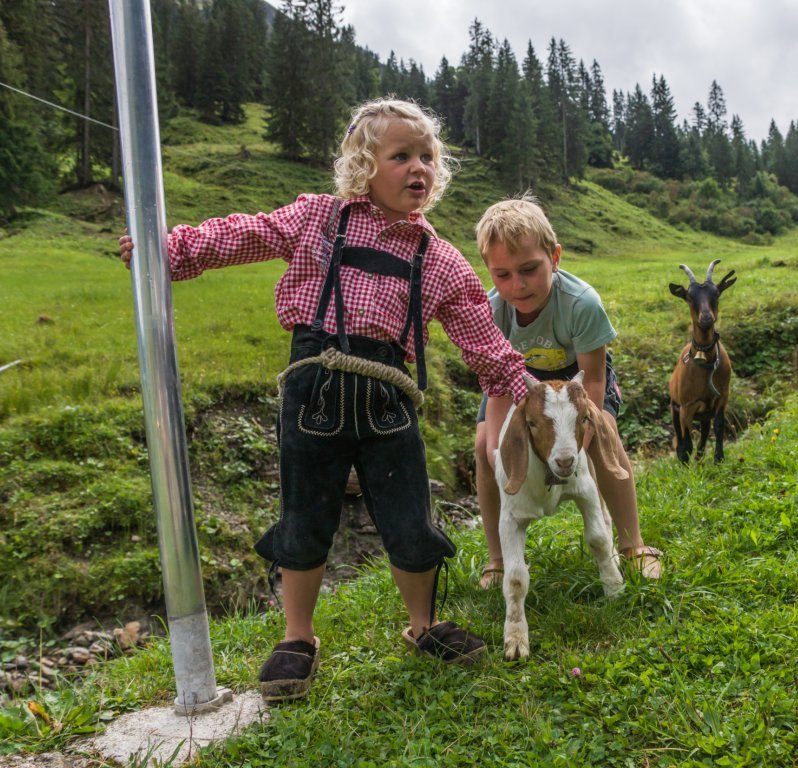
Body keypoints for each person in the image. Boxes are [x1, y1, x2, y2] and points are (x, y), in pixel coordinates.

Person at [119, 98, 531, 703]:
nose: (419, 167)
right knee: (306, 514)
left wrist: (526, 390)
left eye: (427, 157)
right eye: (401, 156)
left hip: (391, 399)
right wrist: (170, 251)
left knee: (410, 515)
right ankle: (298, 637)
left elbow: (480, 332)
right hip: (315, 387)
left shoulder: (437, 258)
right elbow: (246, 233)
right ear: (364, 165)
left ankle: (423, 626)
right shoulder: (319, 219)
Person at [472, 195, 662, 591]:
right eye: (502, 275)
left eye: (529, 269)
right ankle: (497, 558)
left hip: (577, 382)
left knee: (605, 435)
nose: (517, 285)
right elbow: (497, 391)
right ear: (489, 272)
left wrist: (580, 440)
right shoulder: (491, 313)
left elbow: (592, 381)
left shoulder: (582, 303)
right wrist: (498, 451)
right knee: (481, 447)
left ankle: (633, 545)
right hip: (518, 382)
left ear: (554, 257)